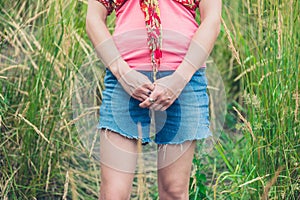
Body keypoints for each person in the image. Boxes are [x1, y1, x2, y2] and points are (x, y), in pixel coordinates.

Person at [86, 0, 221, 199]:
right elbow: (93, 18)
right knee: (113, 193)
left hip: (184, 79)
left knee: (173, 190)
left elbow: (212, 19)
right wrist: (122, 72)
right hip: (124, 79)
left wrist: (179, 79)